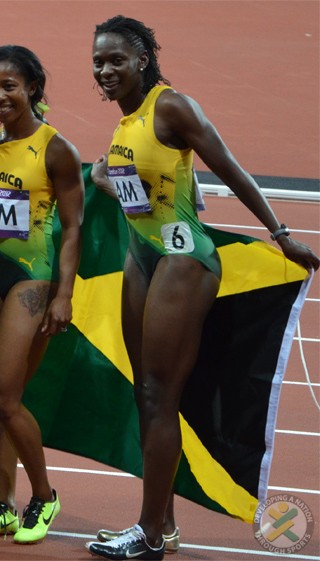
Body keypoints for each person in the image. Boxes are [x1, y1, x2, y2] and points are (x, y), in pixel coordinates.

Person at [85, 15, 320, 560]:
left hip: (183, 260)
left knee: (159, 395)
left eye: (116, 59)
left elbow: (229, 166)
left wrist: (280, 232)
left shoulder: (171, 107)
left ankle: (147, 536)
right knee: (145, 396)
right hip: (141, 260)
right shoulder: (126, 124)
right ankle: (160, 526)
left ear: (142, 59)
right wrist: (100, 176)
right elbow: (130, 177)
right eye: (98, 61)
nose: (105, 70)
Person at [0, 45, 84, 545]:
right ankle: (4, 505)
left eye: (9, 86)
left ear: (32, 87)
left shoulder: (56, 149)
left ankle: (44, 497)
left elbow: (73, 227)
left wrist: (63, 295)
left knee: (2, 396)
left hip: (32, 280)